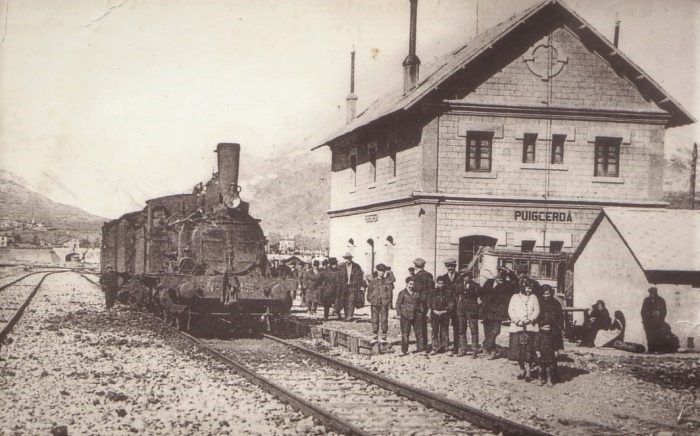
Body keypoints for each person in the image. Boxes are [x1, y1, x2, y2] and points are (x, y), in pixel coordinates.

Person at [480, 267, 518, 359]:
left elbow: (516, 281)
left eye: (503, 277)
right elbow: (481, 293)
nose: (501, 279)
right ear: (496, 276)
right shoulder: (489, 282)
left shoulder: (506, 285)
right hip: (487, 312)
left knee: (496, 331)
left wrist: (509, 272)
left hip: (498, 313)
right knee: (487, 332)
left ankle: (485, 345)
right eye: (499, 276)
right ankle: (492, 351)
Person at [508, 280, 540, 381]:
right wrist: (517, 321)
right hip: (517, 327)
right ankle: (522, 369)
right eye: (527, 287)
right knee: (518, 350)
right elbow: (511, 310)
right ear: (522, 287)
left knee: (529, 350)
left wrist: (530, 319)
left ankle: (529, 371)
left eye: (530, 288)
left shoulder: (534, 297)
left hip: (530, 326)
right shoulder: (515, 297)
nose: (529, 290)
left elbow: (537, 310)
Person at [535, 285, 563, 386]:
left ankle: (553, 374)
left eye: (548, 293)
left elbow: (560, 316)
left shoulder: (556, 303)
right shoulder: (539, 302)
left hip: (554, 330)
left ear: (551, 293)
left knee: (553, 353)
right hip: (542, 329)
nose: (546, 295)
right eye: (544, 293)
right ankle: (541, 376)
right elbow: (536, 315)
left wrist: (558, 326)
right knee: (541, 352)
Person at [454, 268, 482, 358]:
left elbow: (480, 299)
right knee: (461, 330)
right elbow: (455, 296)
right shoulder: (458, 286)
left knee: (474, 331)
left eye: (467, 276)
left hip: (472, 311)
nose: (465, 278)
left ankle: (474, 350)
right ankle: (463, 349)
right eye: (463, 276)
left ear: (470, 276)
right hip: (461, 311)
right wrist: (459, 304)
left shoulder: (476, 286)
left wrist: (476, 307)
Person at [395, 276, 425, 355]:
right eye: (410, 284)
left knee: (419, 333)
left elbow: (420, 304)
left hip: (416, 316)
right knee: (405, 334)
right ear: (406, 284)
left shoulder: (417, 293)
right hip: (405, 316)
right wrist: (399, 313)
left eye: (413, 284)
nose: (411, 286)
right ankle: (404, 350)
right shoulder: (402, 293)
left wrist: (421, 312)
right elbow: (398, 304)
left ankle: (420, 349)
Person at [437, 259, 461, 355]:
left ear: (455, 266)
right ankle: (444, 346)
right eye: (449, 266)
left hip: (457, 307)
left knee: (456, 327)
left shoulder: (460, 277)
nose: (450, 268)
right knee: (443, 326)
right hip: (446, 307)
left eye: (452, 266)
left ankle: (456, 346)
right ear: (446, 267)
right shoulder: (443, 278)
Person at [367, 264, 393, 343]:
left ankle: (384, 336)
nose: (381, 273)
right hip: (374, 303)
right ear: (377, 271)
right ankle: (375, 335)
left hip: (383, 304)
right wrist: (371, 299)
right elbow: (369, 291)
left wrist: (386, 301)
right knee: (375, 319)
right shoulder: (373, 281)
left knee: (384, 319)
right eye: (380, 271)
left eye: (383, 271)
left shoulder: (387, 282)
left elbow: (389, 293)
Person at [412, 258, 434, 352]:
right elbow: (431, 289)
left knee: (418, 324)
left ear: (415, 266)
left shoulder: (416, 276)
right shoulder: (429, 275)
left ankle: (421, 346)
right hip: (427, 302)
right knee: (424, 323)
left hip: (418, 303)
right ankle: (424, 344)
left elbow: (414, 290)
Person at [429, 277, 454, 355]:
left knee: (444, 331)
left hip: (445, 314)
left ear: (444, 284)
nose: (441, 285)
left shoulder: (448, 292)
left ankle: (445, 347)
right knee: (434, 331)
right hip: (435, 314)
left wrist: (445, 310)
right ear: (437, 283)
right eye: (439, 283)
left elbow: (451, 303)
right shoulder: (433, 292)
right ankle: (434, 348)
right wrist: (434, 310)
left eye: (442, 283)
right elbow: (429, 302)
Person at [641, 287, 669, 352]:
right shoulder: (646, 300)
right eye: (651, 293)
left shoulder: (661, 300)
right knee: (649, 335)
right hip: (648, 322)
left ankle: (658, 349)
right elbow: (643, 311)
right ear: (649, 293)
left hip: (658, 321)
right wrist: (646, 318)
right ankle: (650, 349)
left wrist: (660, 317)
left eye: (654, 292)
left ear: (656, 292)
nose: (652, 294)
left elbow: (664, 311)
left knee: (658, 335)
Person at [338, 252, 364, 321]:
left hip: (353, 286)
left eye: (349, 258)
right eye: (346, 259)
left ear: (351, 259)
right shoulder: (340, 266)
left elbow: (360, 276)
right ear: (344, 259)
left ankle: (350, 315)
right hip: (344, 286)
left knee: (351, 300)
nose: (348, 260)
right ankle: (347, 315)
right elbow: (338, 277)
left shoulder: (356, 266)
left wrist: (359, 285)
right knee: (345, 301)